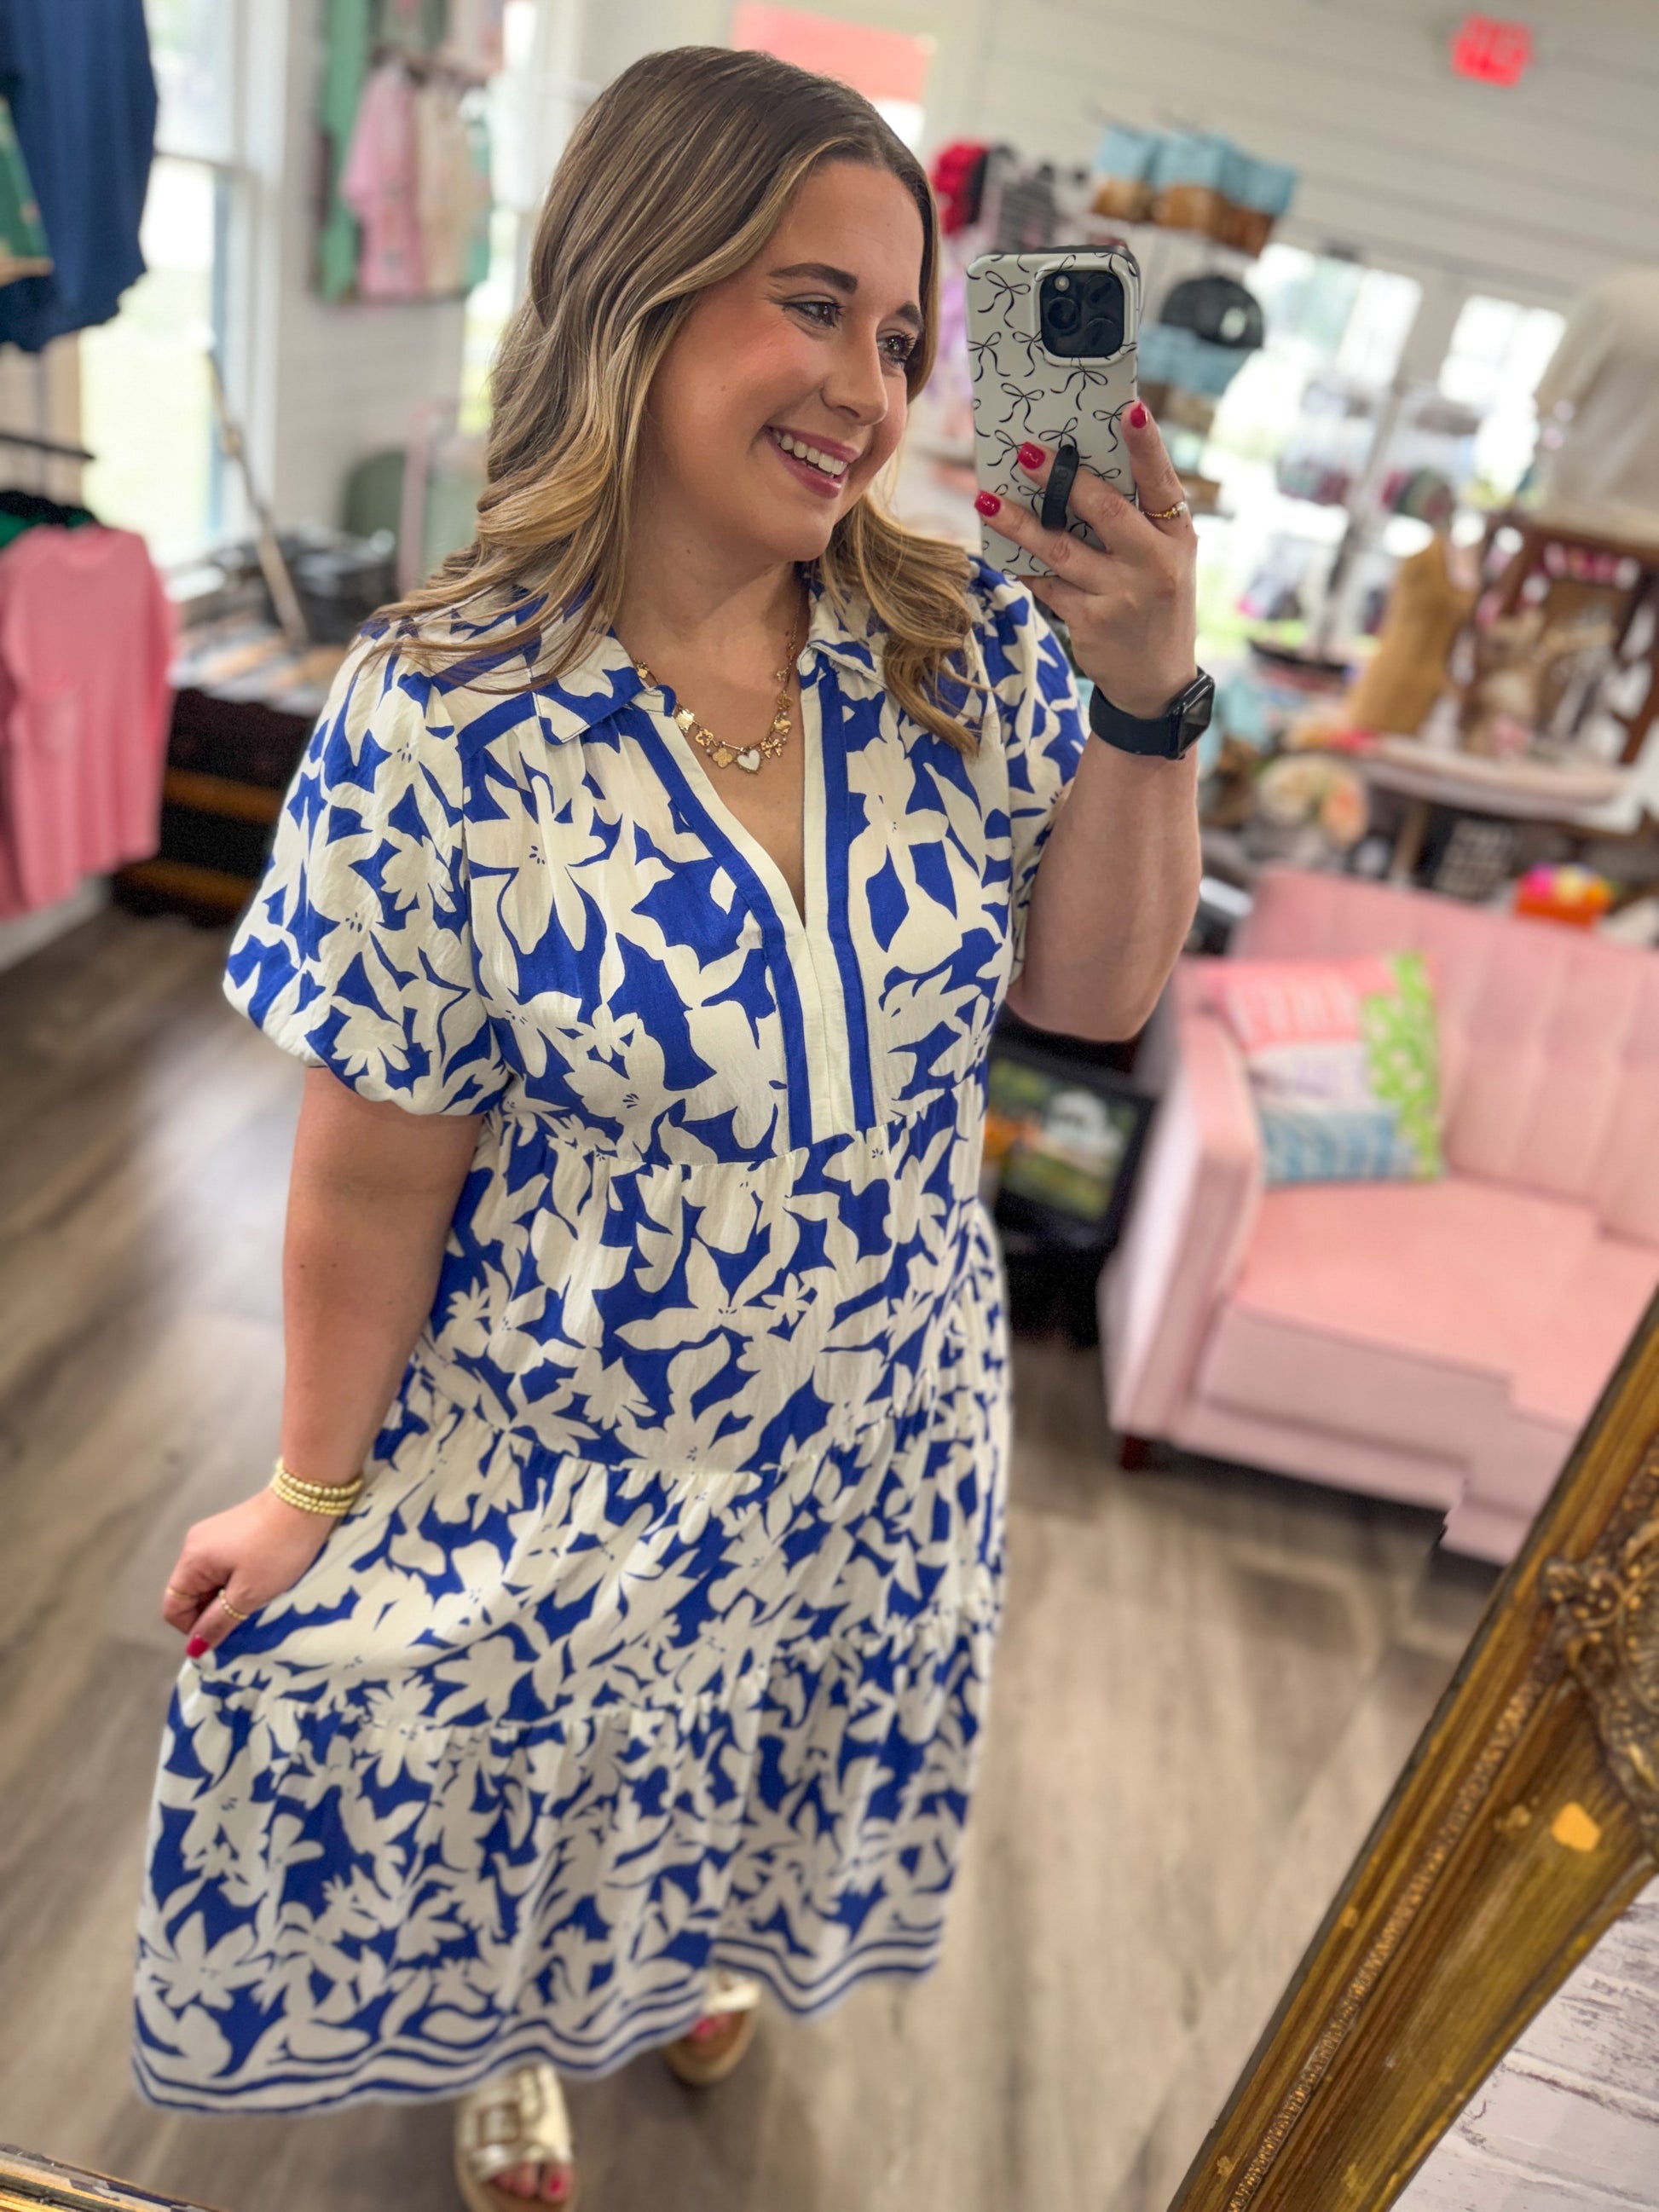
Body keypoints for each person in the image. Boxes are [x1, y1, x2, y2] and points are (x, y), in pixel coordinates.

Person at [132, 46, 1200, 2209]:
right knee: (539, 1780)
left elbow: (1088, 994)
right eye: (809, 304)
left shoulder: (963, 651)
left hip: (879, 1423)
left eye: (901, 335)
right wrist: (308, 1484)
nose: (868, 388)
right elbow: (368, 1171)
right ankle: (511, 2044)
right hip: (569, 1446)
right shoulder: (439, 718)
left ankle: (693, 1946)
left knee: (755, 1765)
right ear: (638, 285)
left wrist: (1151, 683)